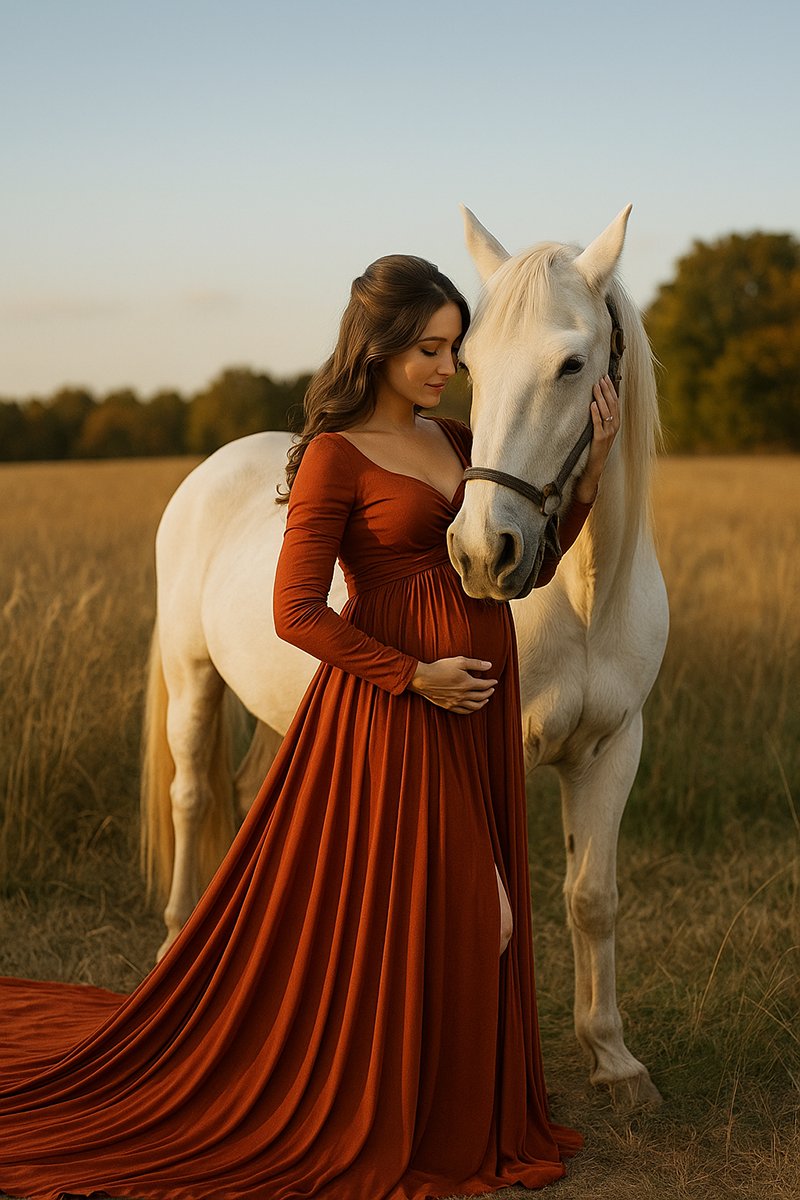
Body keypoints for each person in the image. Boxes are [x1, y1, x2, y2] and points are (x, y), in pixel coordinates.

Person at [0, 254, 618, 1200]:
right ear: (376, 350)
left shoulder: (460, 442)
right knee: (478, 916)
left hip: (472, 707)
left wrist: (590, 480)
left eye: (454, 349)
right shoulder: (333, 455)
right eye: (428, 349)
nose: (445, 367)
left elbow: (513, 572)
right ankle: (371, 1104)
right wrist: (412, 677)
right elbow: (297, 612)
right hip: (401, 709)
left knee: (470, 923)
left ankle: (450, 1114)